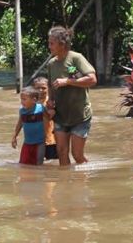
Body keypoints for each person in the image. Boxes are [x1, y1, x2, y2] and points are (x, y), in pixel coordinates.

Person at [46, 26, 97, 165]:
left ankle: (85, 180)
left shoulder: (76, 58)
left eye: (51, 43)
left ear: (62, 45)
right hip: (61, 116)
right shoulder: (51, 64)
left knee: (77, 155)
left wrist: (68, 81)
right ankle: (65, 185)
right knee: (62, 154)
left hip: (80, 115)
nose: (49, 46)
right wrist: (50, 100)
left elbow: (92, 80)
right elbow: (50, 86)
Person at [11, 86, 46, 165]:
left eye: (24, 99)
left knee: (39, 164)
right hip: (27, 143)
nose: (22, 102)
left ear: (34, 100)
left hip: (39, 143)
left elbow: (49, 119)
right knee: (23, 164)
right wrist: (14, 136)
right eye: (21, 99)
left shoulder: (41, 109)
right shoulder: (22, 111)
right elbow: (20, 123)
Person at [32, 76, 58, 161]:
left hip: (51, 140)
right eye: (37, 88)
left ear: (48, 88)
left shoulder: (51, 102)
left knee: (52, 165)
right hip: (35, 140)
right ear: (33, 89)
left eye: (43, 88)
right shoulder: (30, 103)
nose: (40, 91)